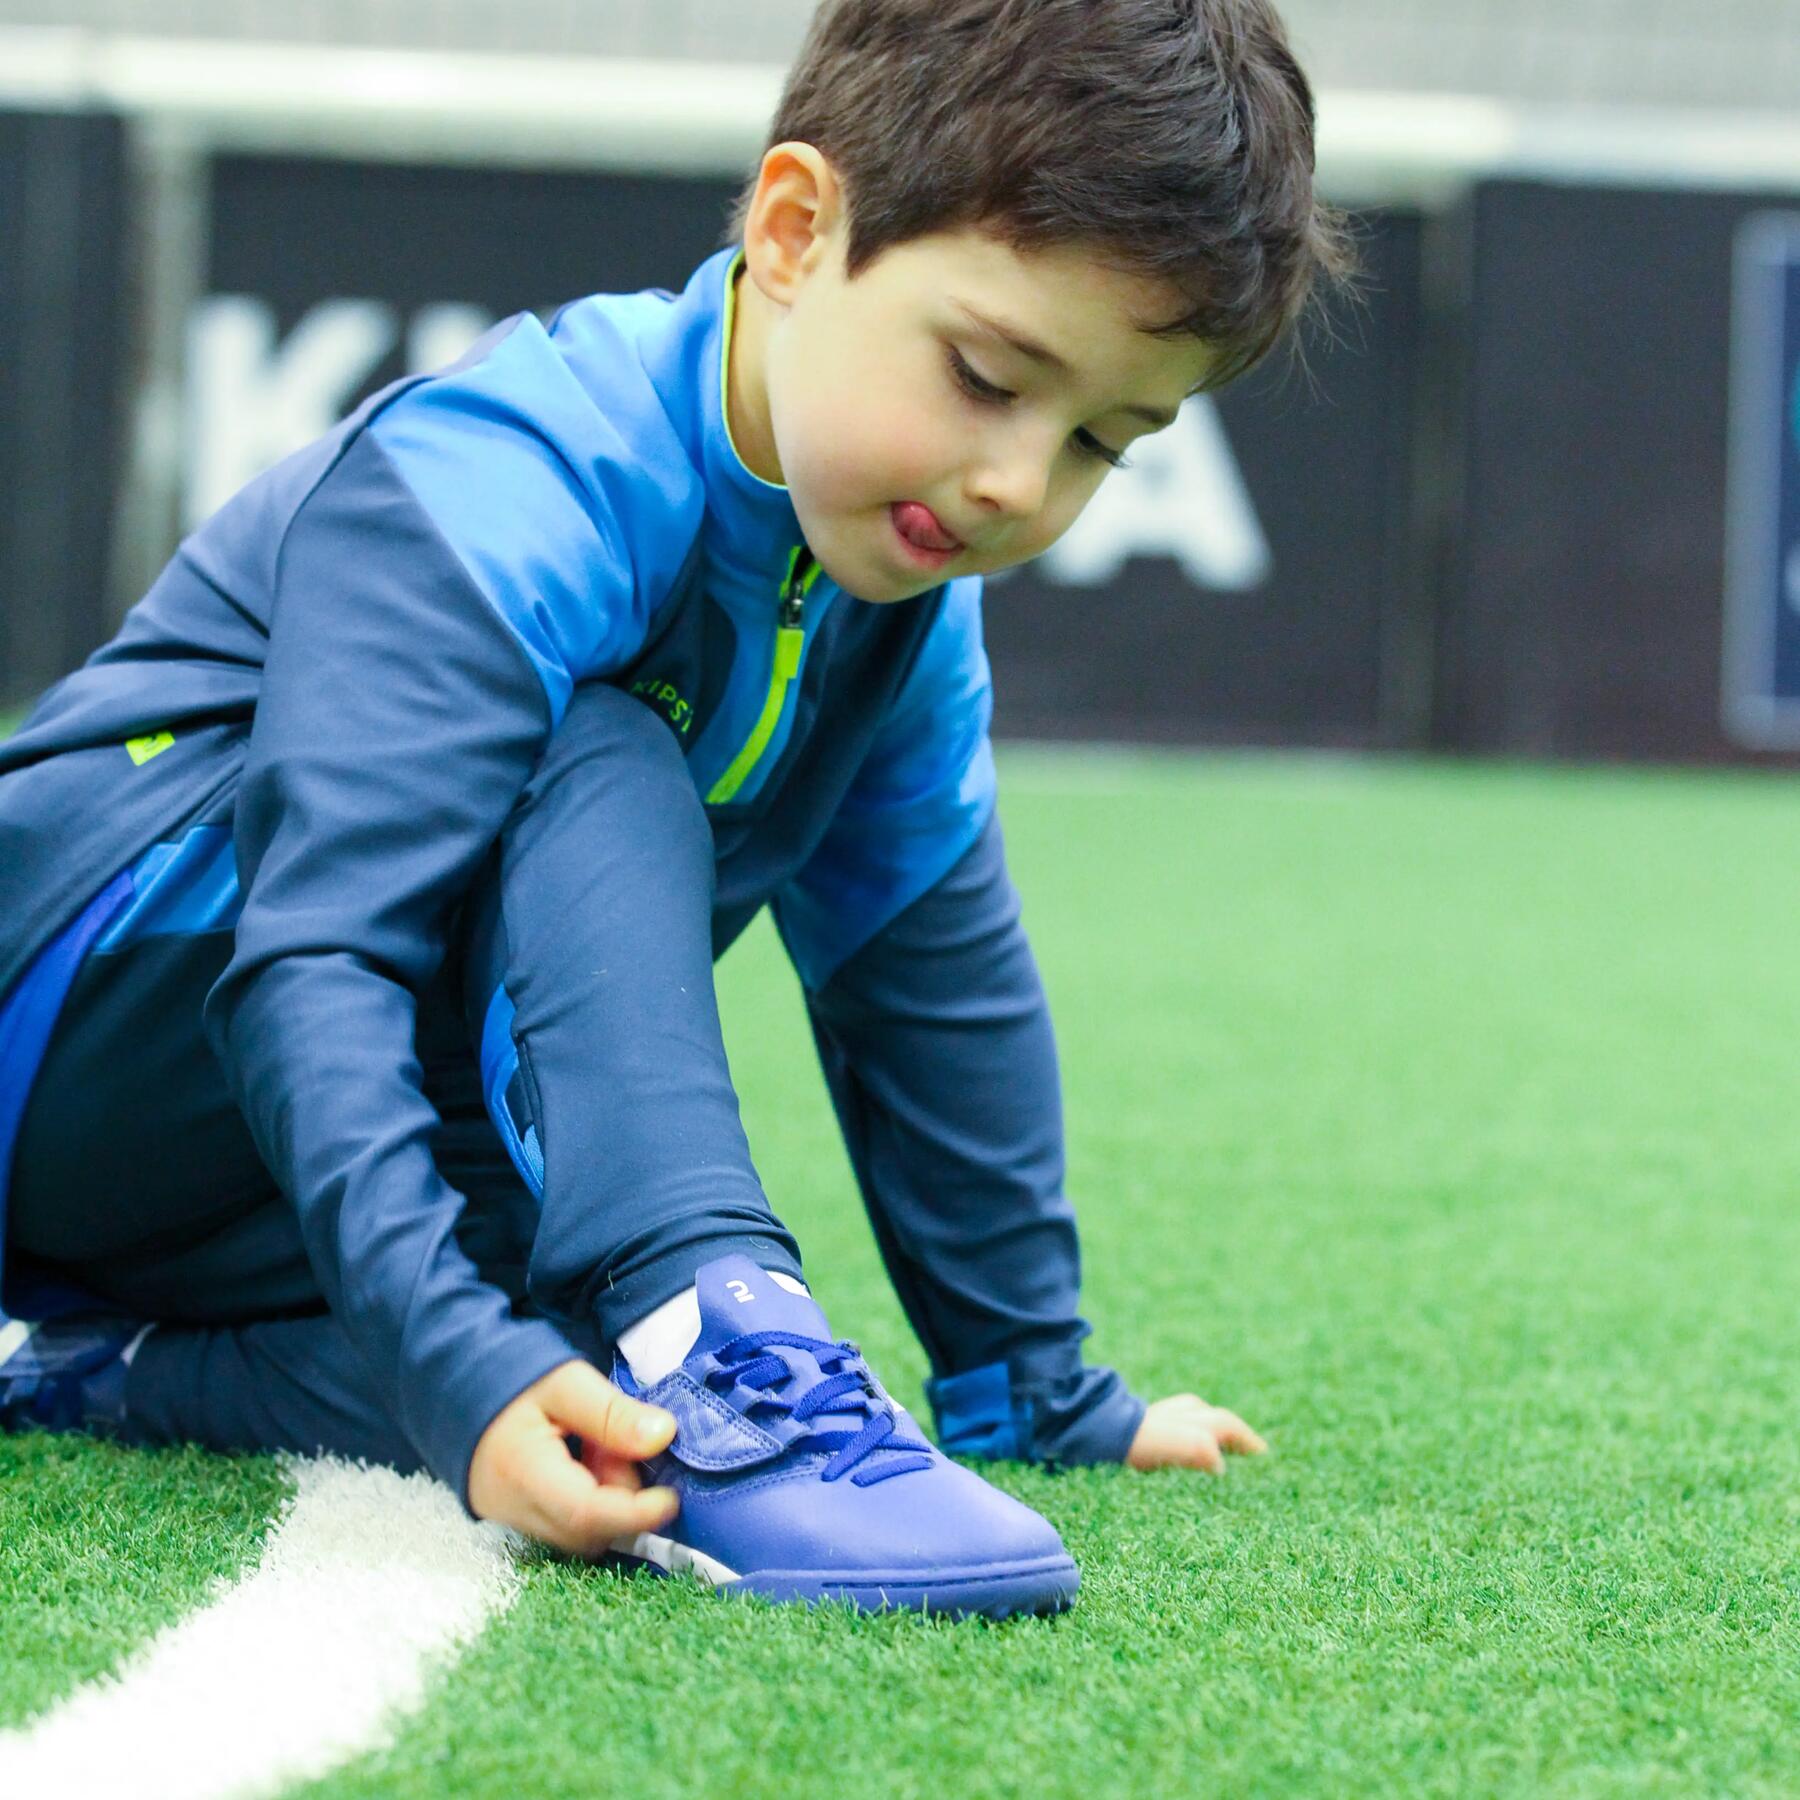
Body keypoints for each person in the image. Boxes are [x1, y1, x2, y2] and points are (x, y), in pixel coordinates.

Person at [0, 0, 1345, 1616]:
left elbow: (932, 986)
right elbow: (317, 955)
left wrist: (1033, 1389)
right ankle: (713, 1328)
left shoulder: (901, 610)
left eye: (1100, 446)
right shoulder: (522, 467)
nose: (1018, 486)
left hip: (226, 1187)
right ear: (795, 229)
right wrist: (453, 1363)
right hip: (72, 1042)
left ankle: (80, 1358)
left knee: (596, 1404)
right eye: (989, 377)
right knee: (604, 740)